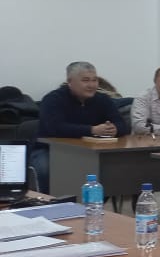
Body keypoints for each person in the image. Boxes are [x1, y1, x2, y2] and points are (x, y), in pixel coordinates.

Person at [35, 61, 130, 190]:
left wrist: (114, 129)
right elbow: (55, 128)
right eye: (85, 80)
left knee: (113, 168)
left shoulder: (103, 99)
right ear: (70, 82)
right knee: (45, 168)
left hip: (89, 150)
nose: (91, 85)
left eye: (94, 80)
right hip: (50, 149)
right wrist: (91, 130)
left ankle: (94, 200)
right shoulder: (53, 99)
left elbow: (122, 124)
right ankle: (45, 201)